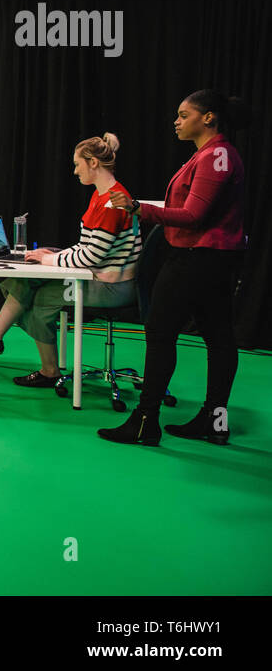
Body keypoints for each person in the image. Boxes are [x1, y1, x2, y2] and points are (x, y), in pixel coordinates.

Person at [99, 91, 249, 446]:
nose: (176, 121)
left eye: (184, 115)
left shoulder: (216, 157)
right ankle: (215, 421)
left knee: (161, 332)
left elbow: (194, 216)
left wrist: (138, 208)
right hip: (213, 259)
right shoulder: (211, 155)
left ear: (208, 118)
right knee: (219, 337)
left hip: (197, 259)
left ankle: (145, 421)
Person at [0, 134, 142, 388]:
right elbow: (87, 247)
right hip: (99, 275)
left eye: (78, 164)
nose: (75, 171)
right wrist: (50, 257)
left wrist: (51, 259)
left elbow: (92, 255)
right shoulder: (102, 195)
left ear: (94, 163)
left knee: (40, 301)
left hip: (110, 286)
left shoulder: (111, 202)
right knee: (31, 275)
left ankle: (48, 370)